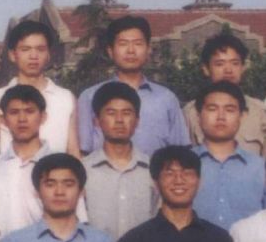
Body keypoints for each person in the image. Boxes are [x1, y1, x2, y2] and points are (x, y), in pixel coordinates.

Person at [72, 15, 185, 158]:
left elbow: (180, 151)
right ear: (110, 51)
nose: (131, 50)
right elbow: (83, 151)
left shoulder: (166, 98)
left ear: (148, 49)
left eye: (138, 43)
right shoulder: (90, 96)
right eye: (123, 44)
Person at [0, 18, 73, 158]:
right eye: (25, 49)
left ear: (48, 54)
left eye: (40, 49)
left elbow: (73, 150)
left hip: (55, 170)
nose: (33, 56)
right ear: (12, 55)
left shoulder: (66, 97)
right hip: (12, 170)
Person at [81, 83, 160, 236]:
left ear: (137, 121)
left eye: (126, 113)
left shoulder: (153, 170)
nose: (119, 120)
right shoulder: (83, 171)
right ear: (97, 121)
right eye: (111, 113)